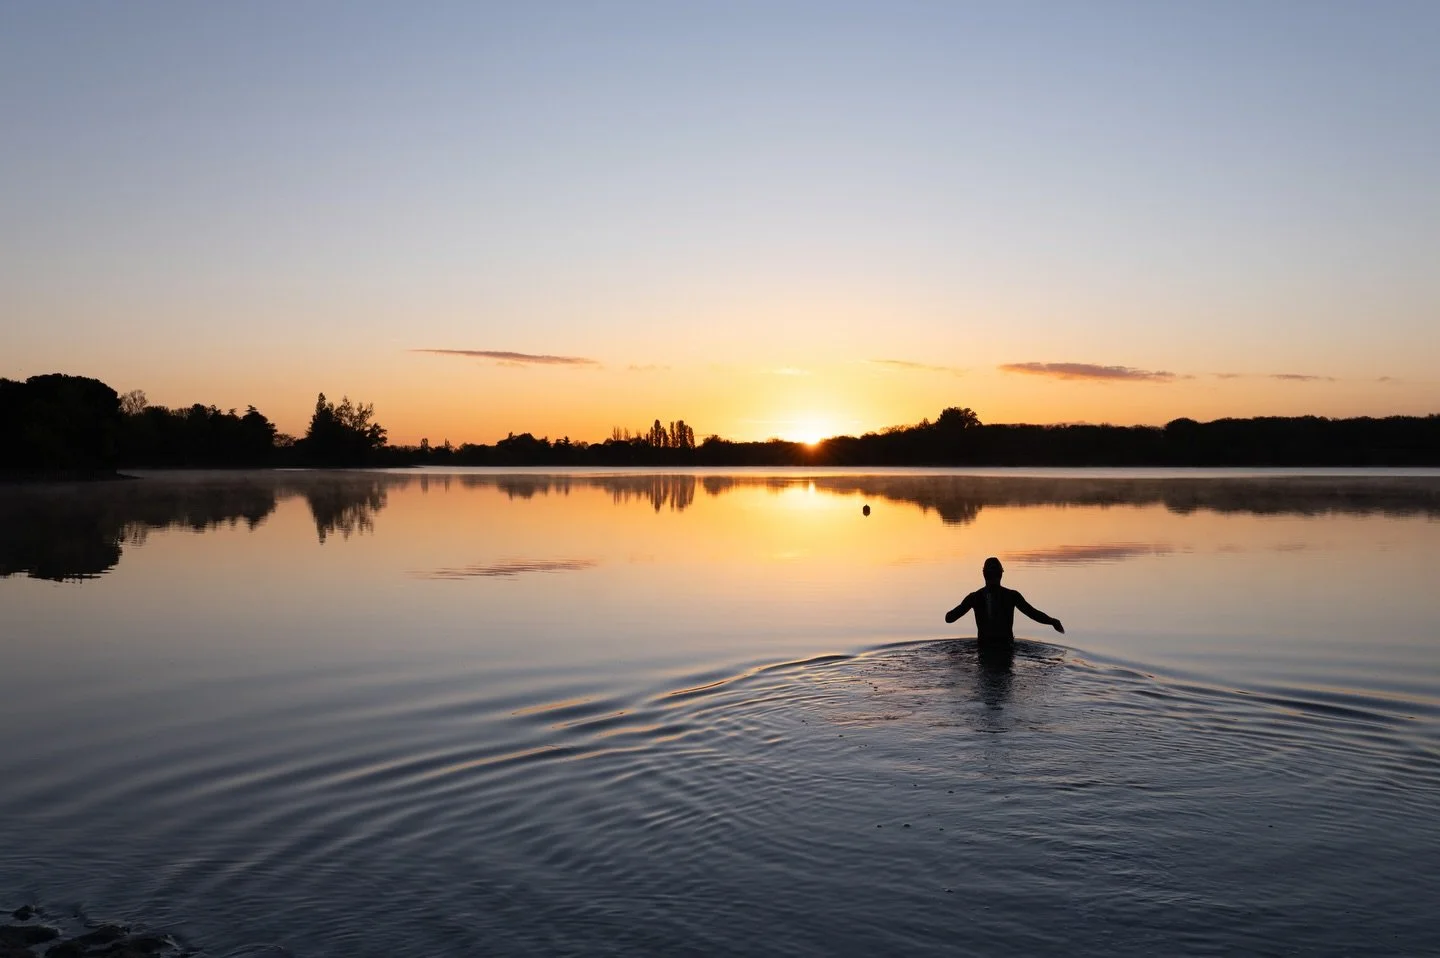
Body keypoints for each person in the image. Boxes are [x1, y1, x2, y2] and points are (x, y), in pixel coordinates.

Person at [944, 557, 1064, 644]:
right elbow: (1032, 613)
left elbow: (949, 619)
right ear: (1001, 574)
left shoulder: (974, 597)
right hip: (1006, 647)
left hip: (984, 648)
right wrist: (1052, 621)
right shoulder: (1012, 596)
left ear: (983, 574)